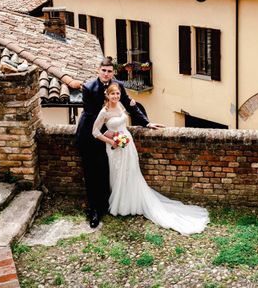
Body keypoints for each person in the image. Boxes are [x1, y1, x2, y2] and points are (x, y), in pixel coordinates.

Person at [93, 83, 209, 235]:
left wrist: (146, 122)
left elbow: (129, 116)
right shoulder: (104, 112)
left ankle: (132, 201)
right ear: (107, 95)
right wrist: (111, 140)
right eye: (113, 94)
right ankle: (122, 204)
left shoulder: (121, 104)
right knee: (118, 173)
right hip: (115, 147)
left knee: (132, 172)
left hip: (127, 143)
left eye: (118, 94)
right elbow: (95, 131)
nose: (116, 96)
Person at [76, 57, 162, 228]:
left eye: (109, 71)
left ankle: (113, 203)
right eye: (104, 70)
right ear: (98, 70)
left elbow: (130, 105)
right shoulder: (88, 88)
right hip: (92, 136)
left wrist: (146, 122)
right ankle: (94, 210)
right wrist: (110, 136)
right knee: (93, 173)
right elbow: (94, 117)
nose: (106, 74)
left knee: (110, 172)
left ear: (113, 72)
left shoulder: (118, 86)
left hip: (112, 137)